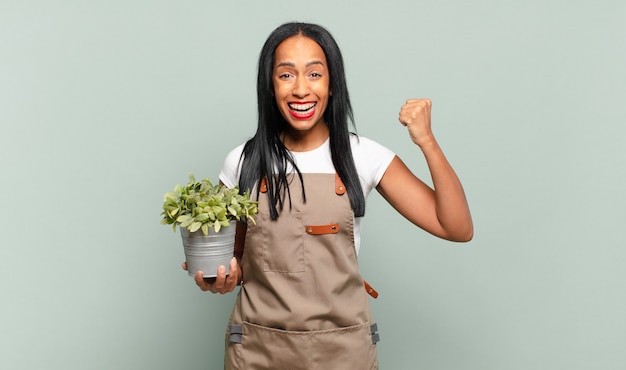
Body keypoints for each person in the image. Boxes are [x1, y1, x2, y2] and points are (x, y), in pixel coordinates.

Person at [183, 22, 473, 369]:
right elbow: (237, 262)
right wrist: (221, 278)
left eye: (315, 74)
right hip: (258, 350)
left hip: (344, 351)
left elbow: (456, 227)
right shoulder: (243, 161)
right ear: (269, 85)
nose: (301, 90)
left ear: (333, 85)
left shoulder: (362, 156)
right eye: (286, 75)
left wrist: (426, 140)